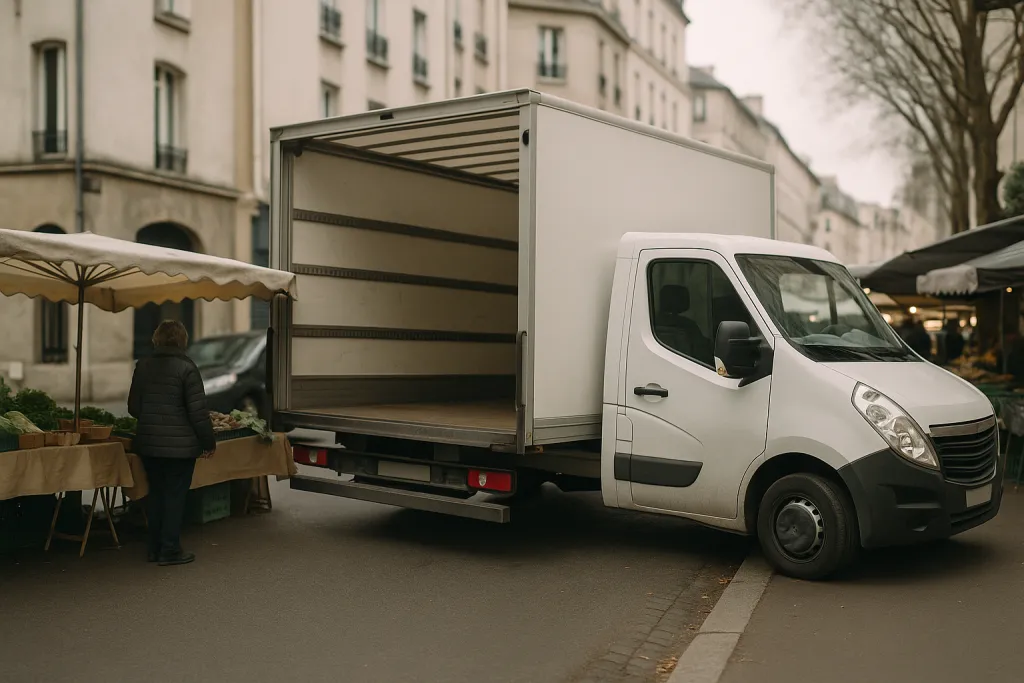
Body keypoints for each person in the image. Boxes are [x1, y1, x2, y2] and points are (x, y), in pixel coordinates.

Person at [128, 320, 216, 566]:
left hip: (149, 445)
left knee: (155, 495)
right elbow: (198, 414)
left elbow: (133, 408)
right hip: (180, 449)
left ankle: (154, 548)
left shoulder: (143, 366)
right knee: (175, 497)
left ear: (156, 338)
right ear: (183, 340)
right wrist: (209, 442)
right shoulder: (187, 368)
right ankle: (170, 550)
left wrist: (153, 418)